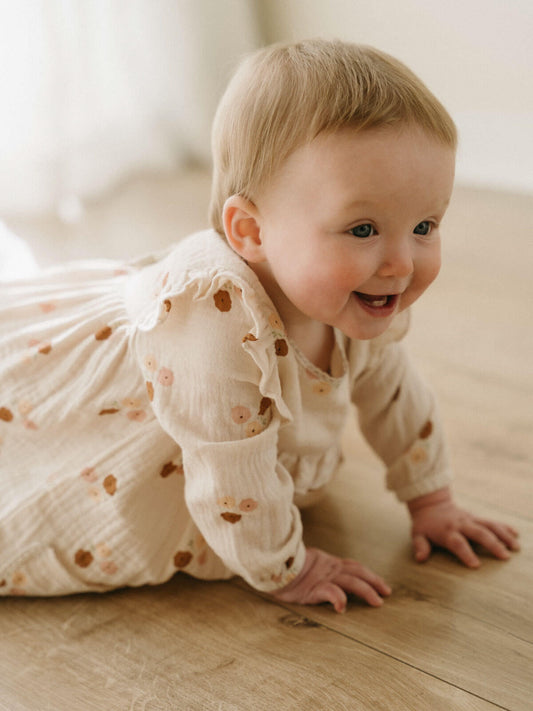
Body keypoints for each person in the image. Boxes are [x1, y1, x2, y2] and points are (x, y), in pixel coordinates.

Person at [0, 39, 519, 611]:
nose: (403, 263)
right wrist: (285, 569)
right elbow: (231, 477)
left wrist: (433, 500)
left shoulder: (358, 290)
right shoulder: (212, 332)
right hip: (110, 427)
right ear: (250, 232)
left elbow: (395, 393)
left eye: (425, 224)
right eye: (364, 230)